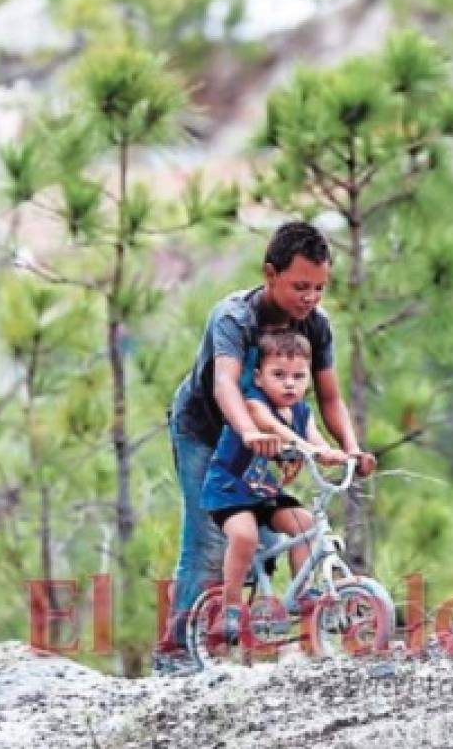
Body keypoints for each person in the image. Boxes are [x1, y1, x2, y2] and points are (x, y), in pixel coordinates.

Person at [154, 221, 376, 675]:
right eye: (299, 286)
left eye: (318, 288)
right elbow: (225, 385)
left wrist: (351, 448)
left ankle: (254, 628)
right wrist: (252, 435)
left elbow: (329, 397)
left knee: (281, 534)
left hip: (271, 434)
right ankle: (175, 654)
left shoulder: (315, 325)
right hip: (207, 432)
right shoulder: (235, 317)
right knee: (209, 541)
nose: (309, 298)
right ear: (270, 274)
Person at [201, 330, 348, 644]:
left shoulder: (301, 412)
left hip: (260, 488)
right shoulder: (254, 404)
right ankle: (230, 605)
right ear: (258, 377)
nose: (289, 383)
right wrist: (304, 446)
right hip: (229, 487)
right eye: (278, 375)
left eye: (298, 376)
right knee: (245, 535)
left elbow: (316, 440)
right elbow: (271, 427)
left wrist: (337, 454)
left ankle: (302, 593)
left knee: (305, 524)